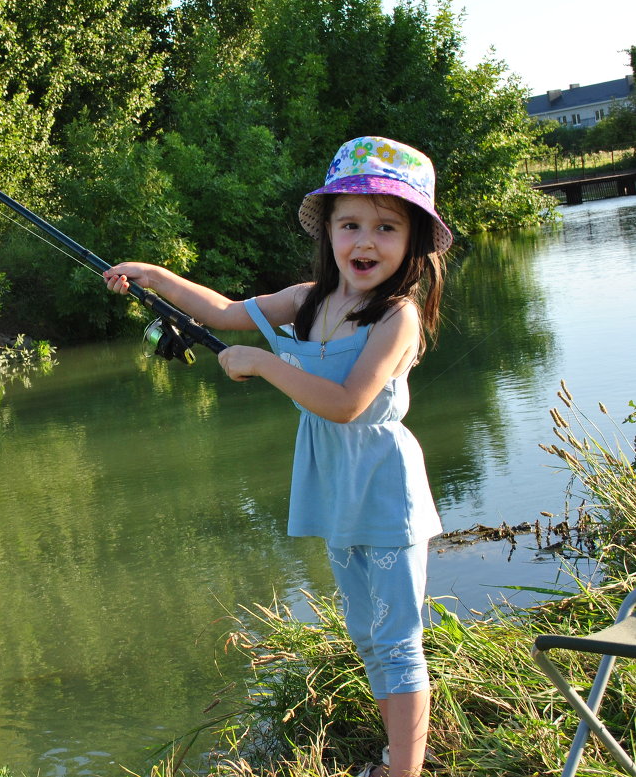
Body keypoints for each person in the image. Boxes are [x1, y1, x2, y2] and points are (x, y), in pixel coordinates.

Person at [104, 136, 450, 777]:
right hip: (337, 493)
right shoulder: (313, 299)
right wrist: (155, 277)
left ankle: (405, 770)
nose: (364, 243)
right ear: (331, 234)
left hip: (382, 491)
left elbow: (347, 403)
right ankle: (393, 758)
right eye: (350, 225)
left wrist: (266, 363)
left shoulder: (396, 316)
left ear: (413, 243)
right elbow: (227, 312)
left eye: (385, 227)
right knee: (370, 638)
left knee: (397, 641)